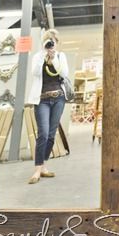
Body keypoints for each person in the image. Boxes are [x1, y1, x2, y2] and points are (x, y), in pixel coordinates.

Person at [27, 29, 69, 184]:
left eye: (54, 41)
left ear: (57, 43)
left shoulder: (60, 56)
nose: (52, 44)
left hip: (58, 99)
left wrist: (54, 58)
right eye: (49, 41)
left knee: (51, 134)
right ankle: (37, 169)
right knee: (43, 133)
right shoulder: (38, 57)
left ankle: (43, 165)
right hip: (42, 100)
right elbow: (35, 73)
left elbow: (64, 74)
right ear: (44, 43)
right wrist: (44, 56)